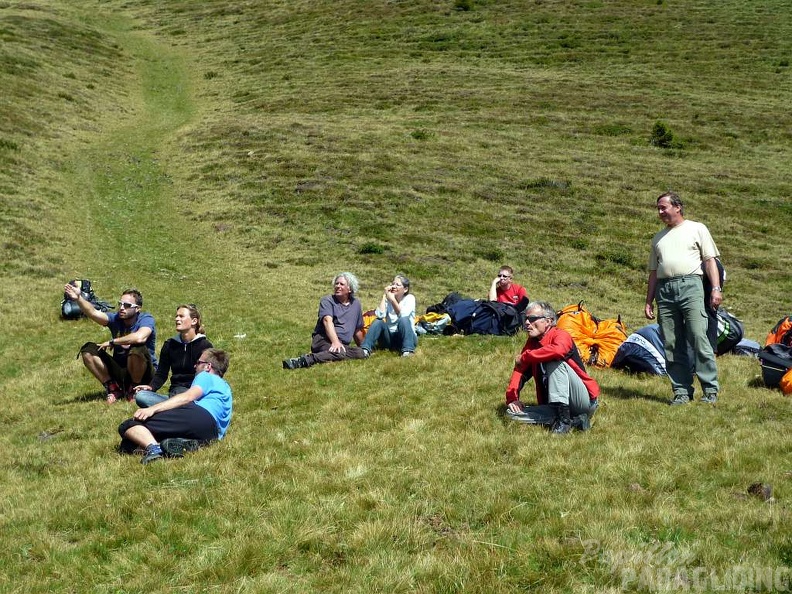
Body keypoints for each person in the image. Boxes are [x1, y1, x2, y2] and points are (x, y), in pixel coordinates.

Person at [645, 191, 722, 405]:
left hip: (691, 286)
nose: (660, 212)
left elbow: (710, 261)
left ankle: (710, 390)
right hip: (665, 290)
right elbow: (653, 272)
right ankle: (681, 391)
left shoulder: (697, 228)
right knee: (671, 342)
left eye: (664, 207)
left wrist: (715, 288)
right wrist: (649, 300)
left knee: (698, 336)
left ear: (677, 207)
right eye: (658, 209)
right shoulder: (658, 238)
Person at [118, 348, 232, 464]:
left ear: (208, 366)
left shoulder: (206, 376)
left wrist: (152, 409)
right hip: (210, 435)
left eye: (198, 363)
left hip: (199, 416)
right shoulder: (225, 387)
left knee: (128, 425)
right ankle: (180, 444)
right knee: (127, 445)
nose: (194, 366)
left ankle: (155, 449)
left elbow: (188, 397)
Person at [504, 301, 599, 433]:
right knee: (511, 413)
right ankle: (573, 420)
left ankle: (564, 422)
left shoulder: (561, 335)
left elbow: (558, 351)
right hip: (555, 406)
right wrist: (512, 399)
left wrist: (526, 356)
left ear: (548, 321)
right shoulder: (532, 343)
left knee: (553, 361)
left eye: (532, 319)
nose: (526, 323)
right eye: (525, 318)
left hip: (583, 402)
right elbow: (520, 370)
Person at [64, 284, 157, 404]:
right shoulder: (116, 318)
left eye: (127, 305)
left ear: (137, 308)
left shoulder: (146, 319)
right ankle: (113, 388)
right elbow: (93, 313)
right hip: (121, 370)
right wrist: (78, 298)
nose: (122, 308)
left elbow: (140, 337)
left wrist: (113, 342)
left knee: (136, 349)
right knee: (88, 350)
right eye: (120, 304)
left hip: (145, 373)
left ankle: (135, 388)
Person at [134, 304, 213, 408]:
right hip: (174, 395)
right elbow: (161, 374)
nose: (177, 319)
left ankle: (171, 409)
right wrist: (151, 387)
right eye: (176, 316)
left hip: (193, 396)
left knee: (186, 400)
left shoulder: (205, 346)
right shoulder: (169, 344)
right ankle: (175, 409)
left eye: (181, 316)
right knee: (141, 396)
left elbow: (208, 377)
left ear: (194, 321)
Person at [282, 272, 366, 369]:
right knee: (339, 353)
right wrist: (335, 342)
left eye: (341, 284)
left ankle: (329, 354)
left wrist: (364, 347)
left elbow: (357, 330)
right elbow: (327, 321)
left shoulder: (356, 305)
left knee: (360, 353)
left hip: (342, 344)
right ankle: (305, 360)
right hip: (323, 340)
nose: (338, 286)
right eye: (336, 283)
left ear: (350, 289)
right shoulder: (327, 301)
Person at [360, 275, 417, 357]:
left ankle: (408, 351)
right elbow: (380, 315)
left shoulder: (410, 298)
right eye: (393, 284)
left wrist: (393, 300)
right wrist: (385, 296)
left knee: (403, 320)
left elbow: (403, 315)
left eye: (397, 285)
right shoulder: (388, 299)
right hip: (390, 337)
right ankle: (365, 350)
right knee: (378, 321)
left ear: (405, 289)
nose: (394, 286)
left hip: (407, 337)